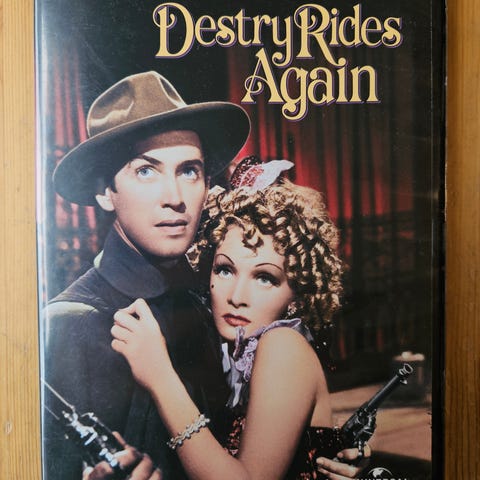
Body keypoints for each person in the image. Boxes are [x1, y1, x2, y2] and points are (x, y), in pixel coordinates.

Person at [43, 72, 365, 480]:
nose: (175, 198)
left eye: (189, 171)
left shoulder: (211, 299)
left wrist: (318, 452)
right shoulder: (73, 325)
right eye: (146, 171)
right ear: (104, 191)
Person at [110, 168, 370, 479]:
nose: (236, 296)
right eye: (225, 270)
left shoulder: (283, 345)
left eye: (265, 278)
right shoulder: (231, 354)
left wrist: (160, 377)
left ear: (297, 295)